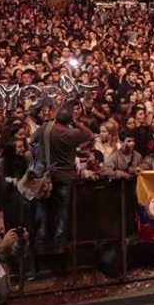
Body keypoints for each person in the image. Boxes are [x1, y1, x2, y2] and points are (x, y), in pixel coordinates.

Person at [30, 104, 94, 253]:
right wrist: (76, 121)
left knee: (42, 208)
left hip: (45, 175)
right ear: (69, 120)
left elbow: (32, 141)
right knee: (62, 210)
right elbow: (89, 134)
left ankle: (39, 243)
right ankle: (59, 244)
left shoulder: (45, 129)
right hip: (64, 176)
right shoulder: (72, 134)